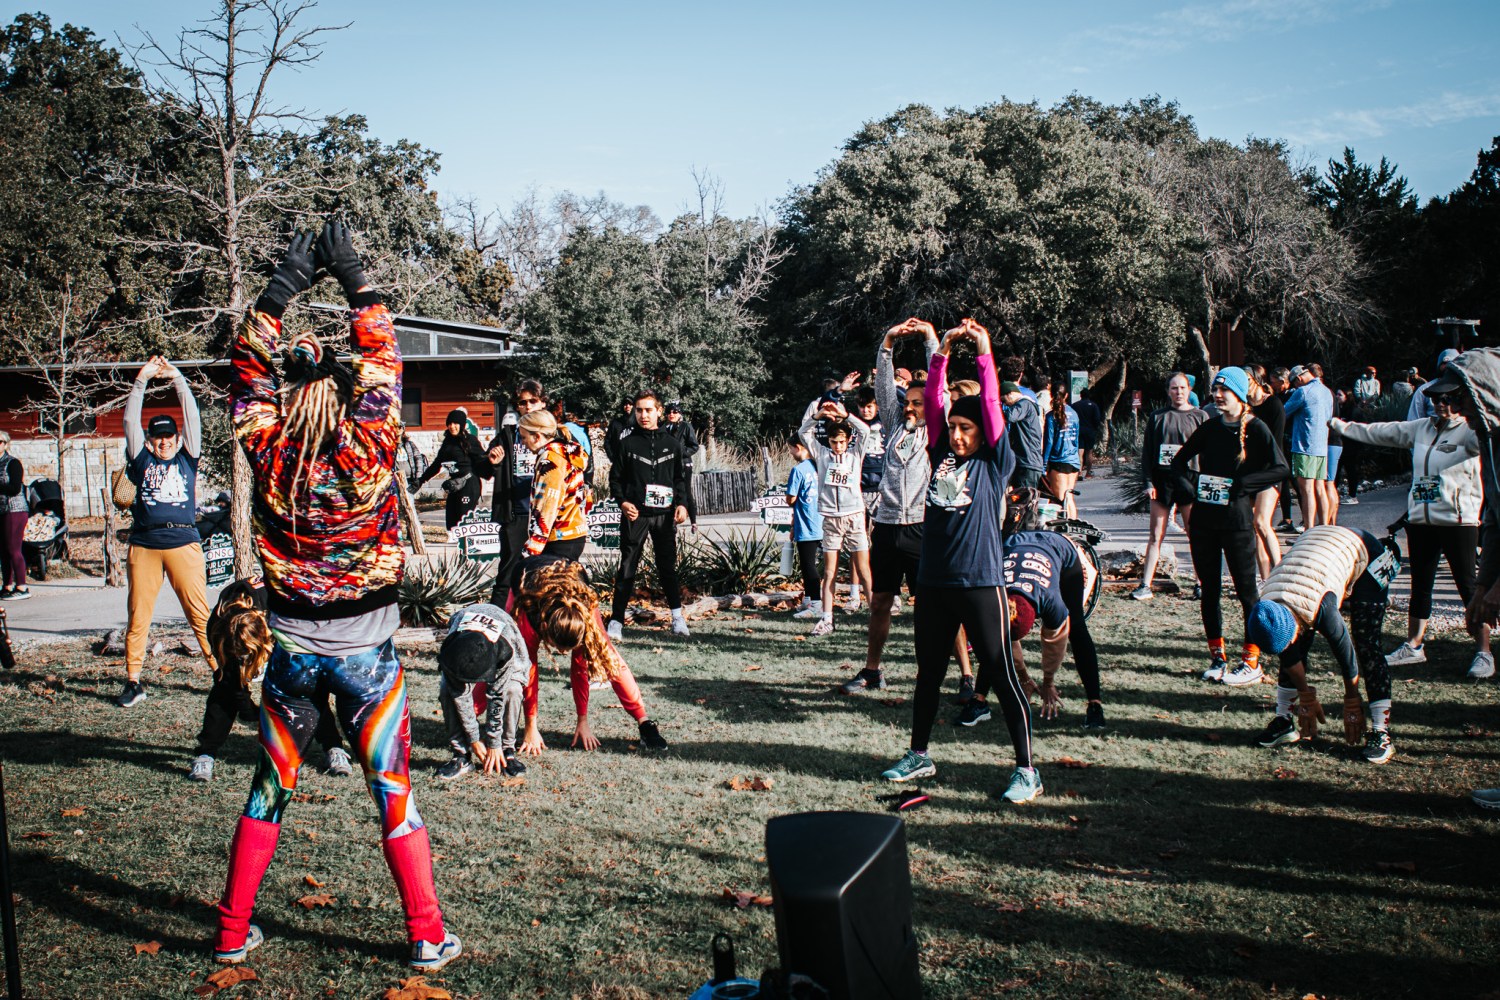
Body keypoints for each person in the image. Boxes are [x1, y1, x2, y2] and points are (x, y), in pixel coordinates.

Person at [217, 222, 458, 970]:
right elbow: (383, 356)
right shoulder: (369, 445)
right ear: (354, 399)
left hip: (290, 653)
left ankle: (231, 934)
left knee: (268, 792)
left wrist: (287, 282)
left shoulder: (267, 444)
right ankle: (425, 935)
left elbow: (249, 368)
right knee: (392, 791)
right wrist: (354, 272)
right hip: (367, 662)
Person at [880, 318, 1042, 805]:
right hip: (935, 581)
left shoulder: (994, 459)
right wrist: (941, 353)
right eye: (952, 427)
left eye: (964, 428)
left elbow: (991, 406)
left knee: (1000, 670)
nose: (956, 435)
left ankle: (1027, 770)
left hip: (980, 580)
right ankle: (919, 753)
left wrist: (984, 349)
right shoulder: (939, 452)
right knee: (928, 671)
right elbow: (932, 402)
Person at [1331, 385, 1492, 677]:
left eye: (1446, 399)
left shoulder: (1468, 432)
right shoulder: (1421, 428)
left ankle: (1484, 652)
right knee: (1421, 584)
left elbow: (1490, 438)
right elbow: (1382, 431)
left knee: (1468, 585)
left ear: (1458, 401)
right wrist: (1343, 426)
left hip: (1458, 521)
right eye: (1434, 399)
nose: (1439, 404)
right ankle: (1414, 645)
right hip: (1421, 520)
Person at [1170, 366, 1289, 686]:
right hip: (1204, 522)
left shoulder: (1256, 428)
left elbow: (1280, 468)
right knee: (1209, 590)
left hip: (1237, 523)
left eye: (1224, 391)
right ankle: (1217, 657)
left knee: (1247, 591)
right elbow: (1179, 462)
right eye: (1215, 391)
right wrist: (1191, 488)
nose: (1217, 396)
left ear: (1239, 393)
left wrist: (1243, 485)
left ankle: (1251, 661)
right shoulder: (1209, 429)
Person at [1247, 524, 1401, 764]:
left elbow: (1346, 654)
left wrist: (1352, 700)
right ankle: (1284, 721)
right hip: (1315, 556)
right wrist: (1305, 695)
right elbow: (1287, 653)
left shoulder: (1322, 608)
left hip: (1366, 553)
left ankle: (1381, 733)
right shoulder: (1267, 606)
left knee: (1367, 643)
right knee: (1295, 641)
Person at [842, 318, 938, 692]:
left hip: (921, 526)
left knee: (931, 608)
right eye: (908, 401)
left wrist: (931, 341)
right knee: (880, 602)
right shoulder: (897, 423)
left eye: (919, 402)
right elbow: (884, 389)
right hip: (886, 526)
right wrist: (887, 344)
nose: (911, 407)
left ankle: (948, 674)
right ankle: (872, 670)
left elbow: (937, 388)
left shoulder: (937, 428)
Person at [116, 356, 215, 709]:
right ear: (149, 440)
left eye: (169, 436)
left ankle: (222, 677)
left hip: (183, 541)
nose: (164, 443)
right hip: (144, 543)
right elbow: (130, 420)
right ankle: (133, 681)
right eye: (157, 438)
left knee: (200, 614)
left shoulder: (188, 457)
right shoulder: (141, 459)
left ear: (177, 437)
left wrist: (177, 379)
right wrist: (142, 379)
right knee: (138, 615)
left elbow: (192, 417)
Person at [190, 579, 352, 782]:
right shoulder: (218, 626)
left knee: (308, 685)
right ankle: (205, 753)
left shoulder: (281, 608)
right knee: (224, 690)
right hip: (254, 630)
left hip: (297, 625)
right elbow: (230, 682)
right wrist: (249, 711)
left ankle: (333, 746)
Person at [513, 560, 669, 753]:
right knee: (503, 659)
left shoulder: (584, 613)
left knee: (607, 654)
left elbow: (580, 668)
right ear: (545, 630)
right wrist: (531, 727)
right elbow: (530, 671)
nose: (562, 653)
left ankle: (645, 723)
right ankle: (470, 717)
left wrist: (583, 721)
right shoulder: (529, 615)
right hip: (526, 587)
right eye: (559, 647)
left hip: (575, 589)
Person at [1001, 530, 1106, 729]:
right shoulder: (996, 595)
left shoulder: (1051, 602)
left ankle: (1095, 704)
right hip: (1016, 543)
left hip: (1060, 548)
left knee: (1076, 626)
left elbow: (1054, 645)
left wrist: (1048, 682)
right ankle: (978, 700)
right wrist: (1025, 678)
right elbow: (1002, 641)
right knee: (996, 641)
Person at [608, 391, 691, 639]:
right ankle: (616, 621)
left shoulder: (673, 444)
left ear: (659, 411)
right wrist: (623, 503)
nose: (643, 415)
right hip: (636, 515)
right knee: (627, 567)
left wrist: (682, 504)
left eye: (648, 410)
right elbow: (615, 480)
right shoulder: (627, 444)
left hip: (664, 516)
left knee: (668, 567)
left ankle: (677, 618)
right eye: (639, 410)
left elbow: (680, 479)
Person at [798, 392, 874, 636]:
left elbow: (866, 432)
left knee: (863, 570)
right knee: (829, 571)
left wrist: (846, 416)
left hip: (854, 516)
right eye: (833, 442)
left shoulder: (855, 455)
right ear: (828, 441)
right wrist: (817, 416)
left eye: (841, 441)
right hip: (831, 518)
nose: (838, 446)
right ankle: (827, 618)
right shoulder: (822, 455)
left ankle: (876, 616)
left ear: (848, 440)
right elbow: (803, 433)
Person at [436, 601, 532, 780]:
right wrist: (473, 739)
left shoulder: (507, 648)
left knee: (512, 690)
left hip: (504, 642)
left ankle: (507, 750)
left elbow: (496, 695)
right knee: (446, 690)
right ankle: (461, 755)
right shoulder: (452, 648)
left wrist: (494, 743)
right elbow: (460, 696)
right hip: (465, 642)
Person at [1132, 373, 1206, 601]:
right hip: (1162, 482)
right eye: (1174, 388)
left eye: (1182, 388)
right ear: (1168, 391)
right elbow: (1147, 454)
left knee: (1196, 535)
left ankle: (1201, 582)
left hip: (1190, 481)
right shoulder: (1157, 417)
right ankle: (1145, 584)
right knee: (1156, 535)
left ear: (1189, 389)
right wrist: (1148, 482)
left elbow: (1208, 453)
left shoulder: (1200, 416)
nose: (1178, 392)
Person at [480, 381, 548, 609]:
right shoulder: (507, 436)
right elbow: (483, 470)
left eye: (533, 401)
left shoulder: (556, 434)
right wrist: (493, 462)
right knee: (508, 571)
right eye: (523, 402)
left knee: (547, 571)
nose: (528, 406)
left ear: (543, 403)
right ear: (517, 407)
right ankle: (496, 619)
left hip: (547, 514)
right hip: (516, 512)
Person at [1243, 364, 1286, 581]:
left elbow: (1274, 442)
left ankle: (1280, 576)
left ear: (1256, 380)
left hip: (1270, 469)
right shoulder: (1244, 407)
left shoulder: (1274, 404)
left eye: (1246, 380)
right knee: (1253, 528)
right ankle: (1265, 580)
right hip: (1248, 471)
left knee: (1261, 522)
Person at [414, 410, 487, 530]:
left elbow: (483, 459)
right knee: (452, 519)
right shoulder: (447, 443)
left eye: (456, 423)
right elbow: (437, 464)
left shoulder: (469, 440)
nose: (452, 426)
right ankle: (456, 545)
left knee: (465, 518)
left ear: (462, 425)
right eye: (450, 423)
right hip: (454, 485)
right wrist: (421, 480)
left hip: (469, 483)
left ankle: (467, 546)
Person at [1283, 364, 1334, 530]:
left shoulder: (1302, 392)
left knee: (1306, 491)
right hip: (1322, 445)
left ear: (1298, 379)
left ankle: (1309, 530)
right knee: (1320, 488)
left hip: (1304, 445)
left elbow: (1283, 412)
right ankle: (1324, 528)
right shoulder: (1327, 392)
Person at [785, 438, 825, 620]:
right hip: (823, 521)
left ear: (798, 447)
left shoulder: (798, 470)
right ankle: (808, 600)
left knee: (808, 565)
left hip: (807, 524)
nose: (790, 453)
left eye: (790, 449)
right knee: (813, 564)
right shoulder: (820, 466)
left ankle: (816, 604)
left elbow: (791, 498)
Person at [999, 356, 1044, 489]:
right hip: (1021, 459)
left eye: (1004, 401)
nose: (1005, 404)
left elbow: (1011, 417)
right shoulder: (1031, 396)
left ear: (1010, 394)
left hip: (1027, 460)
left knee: (1023, 500)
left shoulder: (1024, 403)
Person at [1042, 379, 1082, 518]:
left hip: (1058, 460)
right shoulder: (1074, 414)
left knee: (1061, 499)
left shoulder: (1051, 416)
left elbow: (1049, 442)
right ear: (1066, 395)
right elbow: (1076, 439)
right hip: (1073, 460)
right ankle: (1073, 526)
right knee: (1069, 496)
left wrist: (1044, 464)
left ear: (1052, 395)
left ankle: (1067, 530)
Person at [0, 433, 29, 601]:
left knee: (13, 549)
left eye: (0, 442)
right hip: (1, 510)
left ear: (6, 444)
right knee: (3, 550)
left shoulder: (12, 463)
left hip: (15, 509)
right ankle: (7, 585)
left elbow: (15, 488)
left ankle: (22, 586)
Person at [664, 402, 699, 528]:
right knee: (670, 491)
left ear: (680, 414)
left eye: (675, 412)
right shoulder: (663, 427)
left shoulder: (686, 426)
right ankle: (673, 519)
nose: (671, 414)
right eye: (669, 412)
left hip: (684, 464)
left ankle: (693, 521)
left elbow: (694, 446)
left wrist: (681, 453)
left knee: (686, 491)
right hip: (668, 464)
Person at [1408, 349, 1460, 421]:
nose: (1441, 404)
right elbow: (1413, 421)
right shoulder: (1424, 390)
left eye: (1446, 400)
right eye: (1436, 400)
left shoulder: (1465, 390)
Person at [1073, 387, 1104, 479]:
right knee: (1089, 452)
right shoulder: (1094, 405)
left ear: (1080, 395)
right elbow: (1097, 419)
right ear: (1089, 396)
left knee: (1080, 451)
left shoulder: (1075, 405)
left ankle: (1079, 472)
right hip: (1090, 430)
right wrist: (1095, 428)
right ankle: (1088, 473)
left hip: (1079, 430)